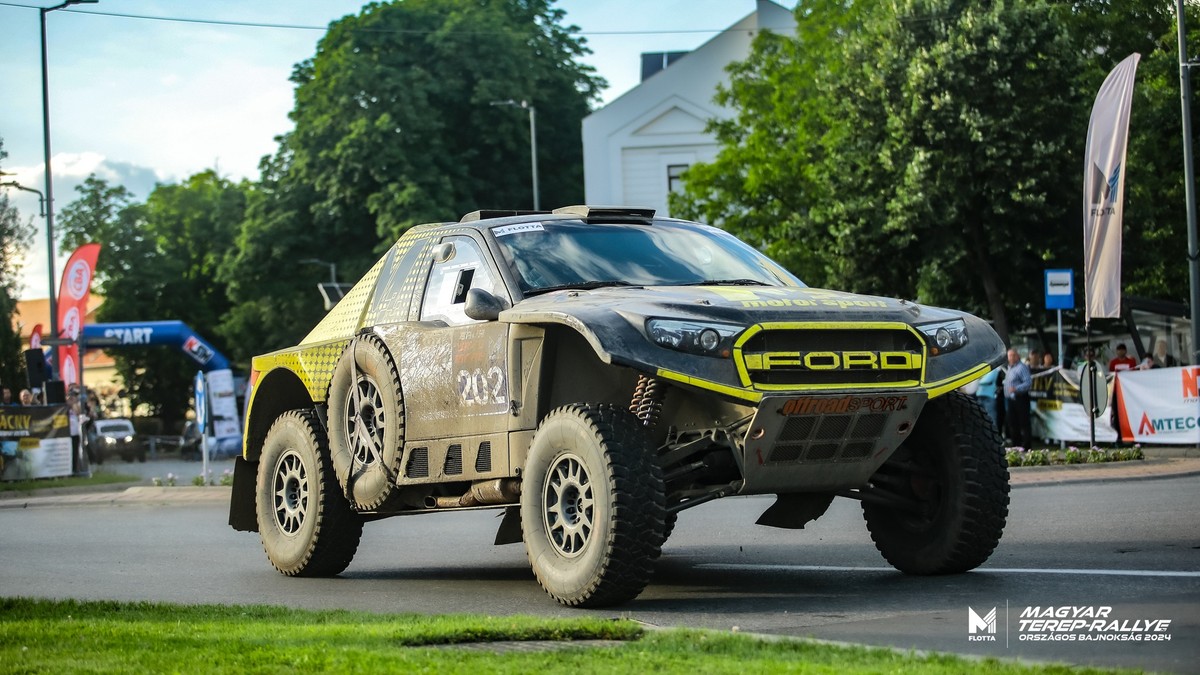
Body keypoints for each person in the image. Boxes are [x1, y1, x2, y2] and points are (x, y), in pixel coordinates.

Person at [1004, 347, 1033, 449]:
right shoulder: (1009, 368)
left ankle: (1026, 446)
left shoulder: (1021, 367)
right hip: (1010, 400)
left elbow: (1028, 383)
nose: (1011, 358)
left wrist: (1016, 388)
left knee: (1024, 423)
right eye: (1009, 356)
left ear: (1018, 356)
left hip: (1021, 398)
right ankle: (1016, 446)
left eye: (1013, 355)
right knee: (1012, 423)